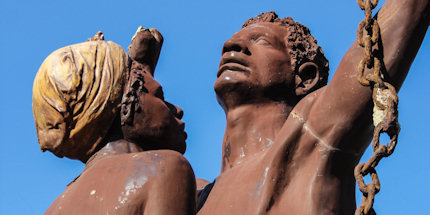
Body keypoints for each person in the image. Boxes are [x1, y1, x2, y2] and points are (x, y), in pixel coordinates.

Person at [197, 0, 429, 214]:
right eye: (232, 43)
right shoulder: (194, 194)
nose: (231, 45)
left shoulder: (307, 140)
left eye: (262, 41)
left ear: (306, 77)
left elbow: (404, 14)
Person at [33, 28, 196, 215]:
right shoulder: (162, 170)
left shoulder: (54, 208)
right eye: (159, 94)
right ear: (125, 98)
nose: (177, 109)